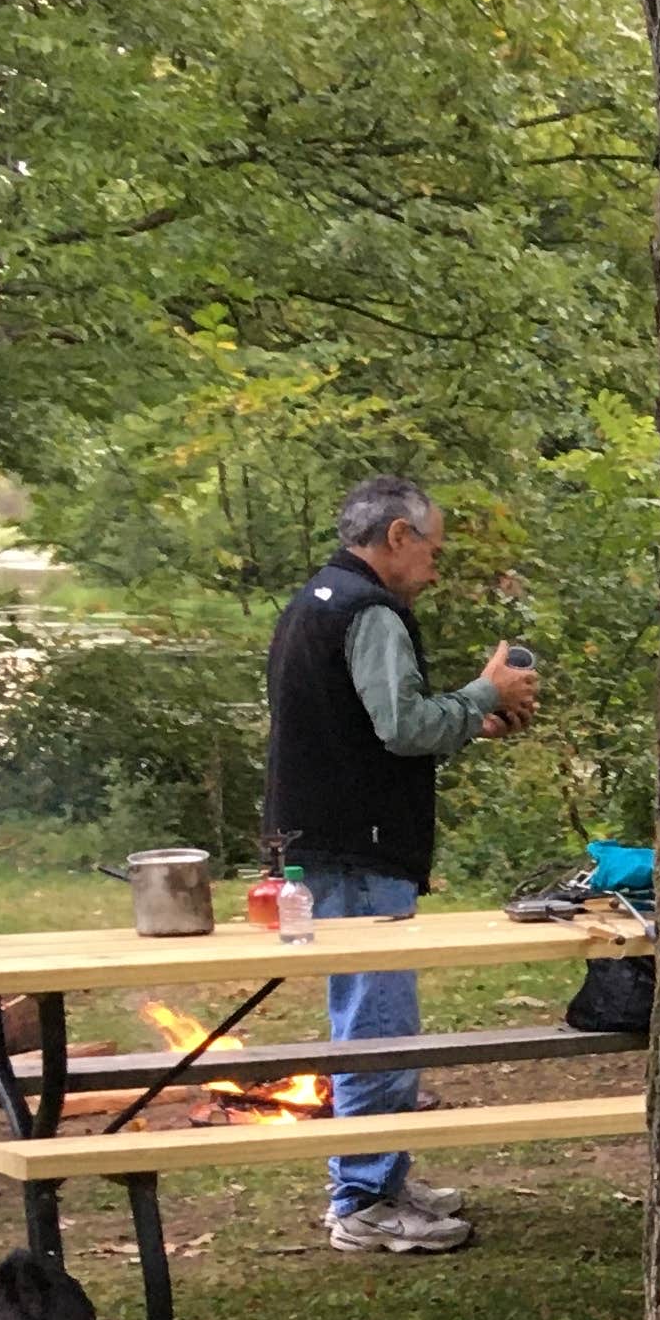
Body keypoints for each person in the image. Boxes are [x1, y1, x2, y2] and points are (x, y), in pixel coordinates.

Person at [262, 474, 538, 1256]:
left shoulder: (316, 599)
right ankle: (363, 1200)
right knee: (377, 1023)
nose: (435, 568)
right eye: (432, 551)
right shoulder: (371, 610)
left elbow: (366, 725)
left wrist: (472, 721)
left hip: (324, 839)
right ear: (396, 537)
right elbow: (402, 727)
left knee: (369, 1015)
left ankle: (377, 1178)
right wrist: (483, 690)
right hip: (359, 846)